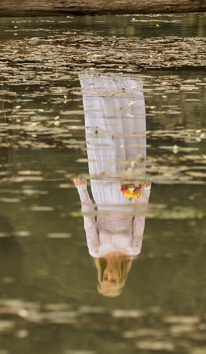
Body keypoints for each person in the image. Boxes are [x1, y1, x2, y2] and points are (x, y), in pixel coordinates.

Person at [72, 73, 151, 297]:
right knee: (129, 141)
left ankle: (99, 84)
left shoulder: (96, 251)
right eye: (111, 279)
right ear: (120, 278)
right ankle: (126, 83)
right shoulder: (133, 250)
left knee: (106, 142)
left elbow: (88, 220)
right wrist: (146, 190)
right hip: (129, 196)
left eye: (104, 278)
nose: (108, 275)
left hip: (104, 195)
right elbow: (140, 219)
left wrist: (81, 189)